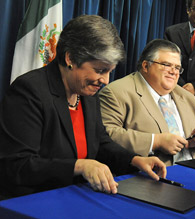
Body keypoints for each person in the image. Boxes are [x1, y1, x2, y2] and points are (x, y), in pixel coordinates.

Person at [0, 15, 166, 199]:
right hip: (35, 200)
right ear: (71, 58)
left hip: (77, 196)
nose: (105, 81)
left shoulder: (87, 93)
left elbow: (101, 143)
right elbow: (17, 166)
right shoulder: (29, 91)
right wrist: (80, 166)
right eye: (100, 70)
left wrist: (134, 160)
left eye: (109, 71)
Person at [99, 39, 195, 166]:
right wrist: (155, 141)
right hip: (150, 176)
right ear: (146, 66)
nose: (174, 72)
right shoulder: (116, 92)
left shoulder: (186, 96)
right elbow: (107, 135)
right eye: (167, 65)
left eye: (177, 68)